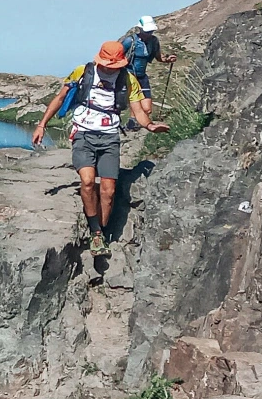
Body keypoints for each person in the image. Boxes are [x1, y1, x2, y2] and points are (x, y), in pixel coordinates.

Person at [30, 40, 166, 253]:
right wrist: (41, 124)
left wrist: (149, 125)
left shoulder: (127, 78)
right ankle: (96, 234)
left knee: (109, 191)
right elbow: (61, 97)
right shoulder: (83, 72)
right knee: (87, 181)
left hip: (110, 137)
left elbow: (138, 110)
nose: (110, 68)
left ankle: (102, 231)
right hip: (83, 134)